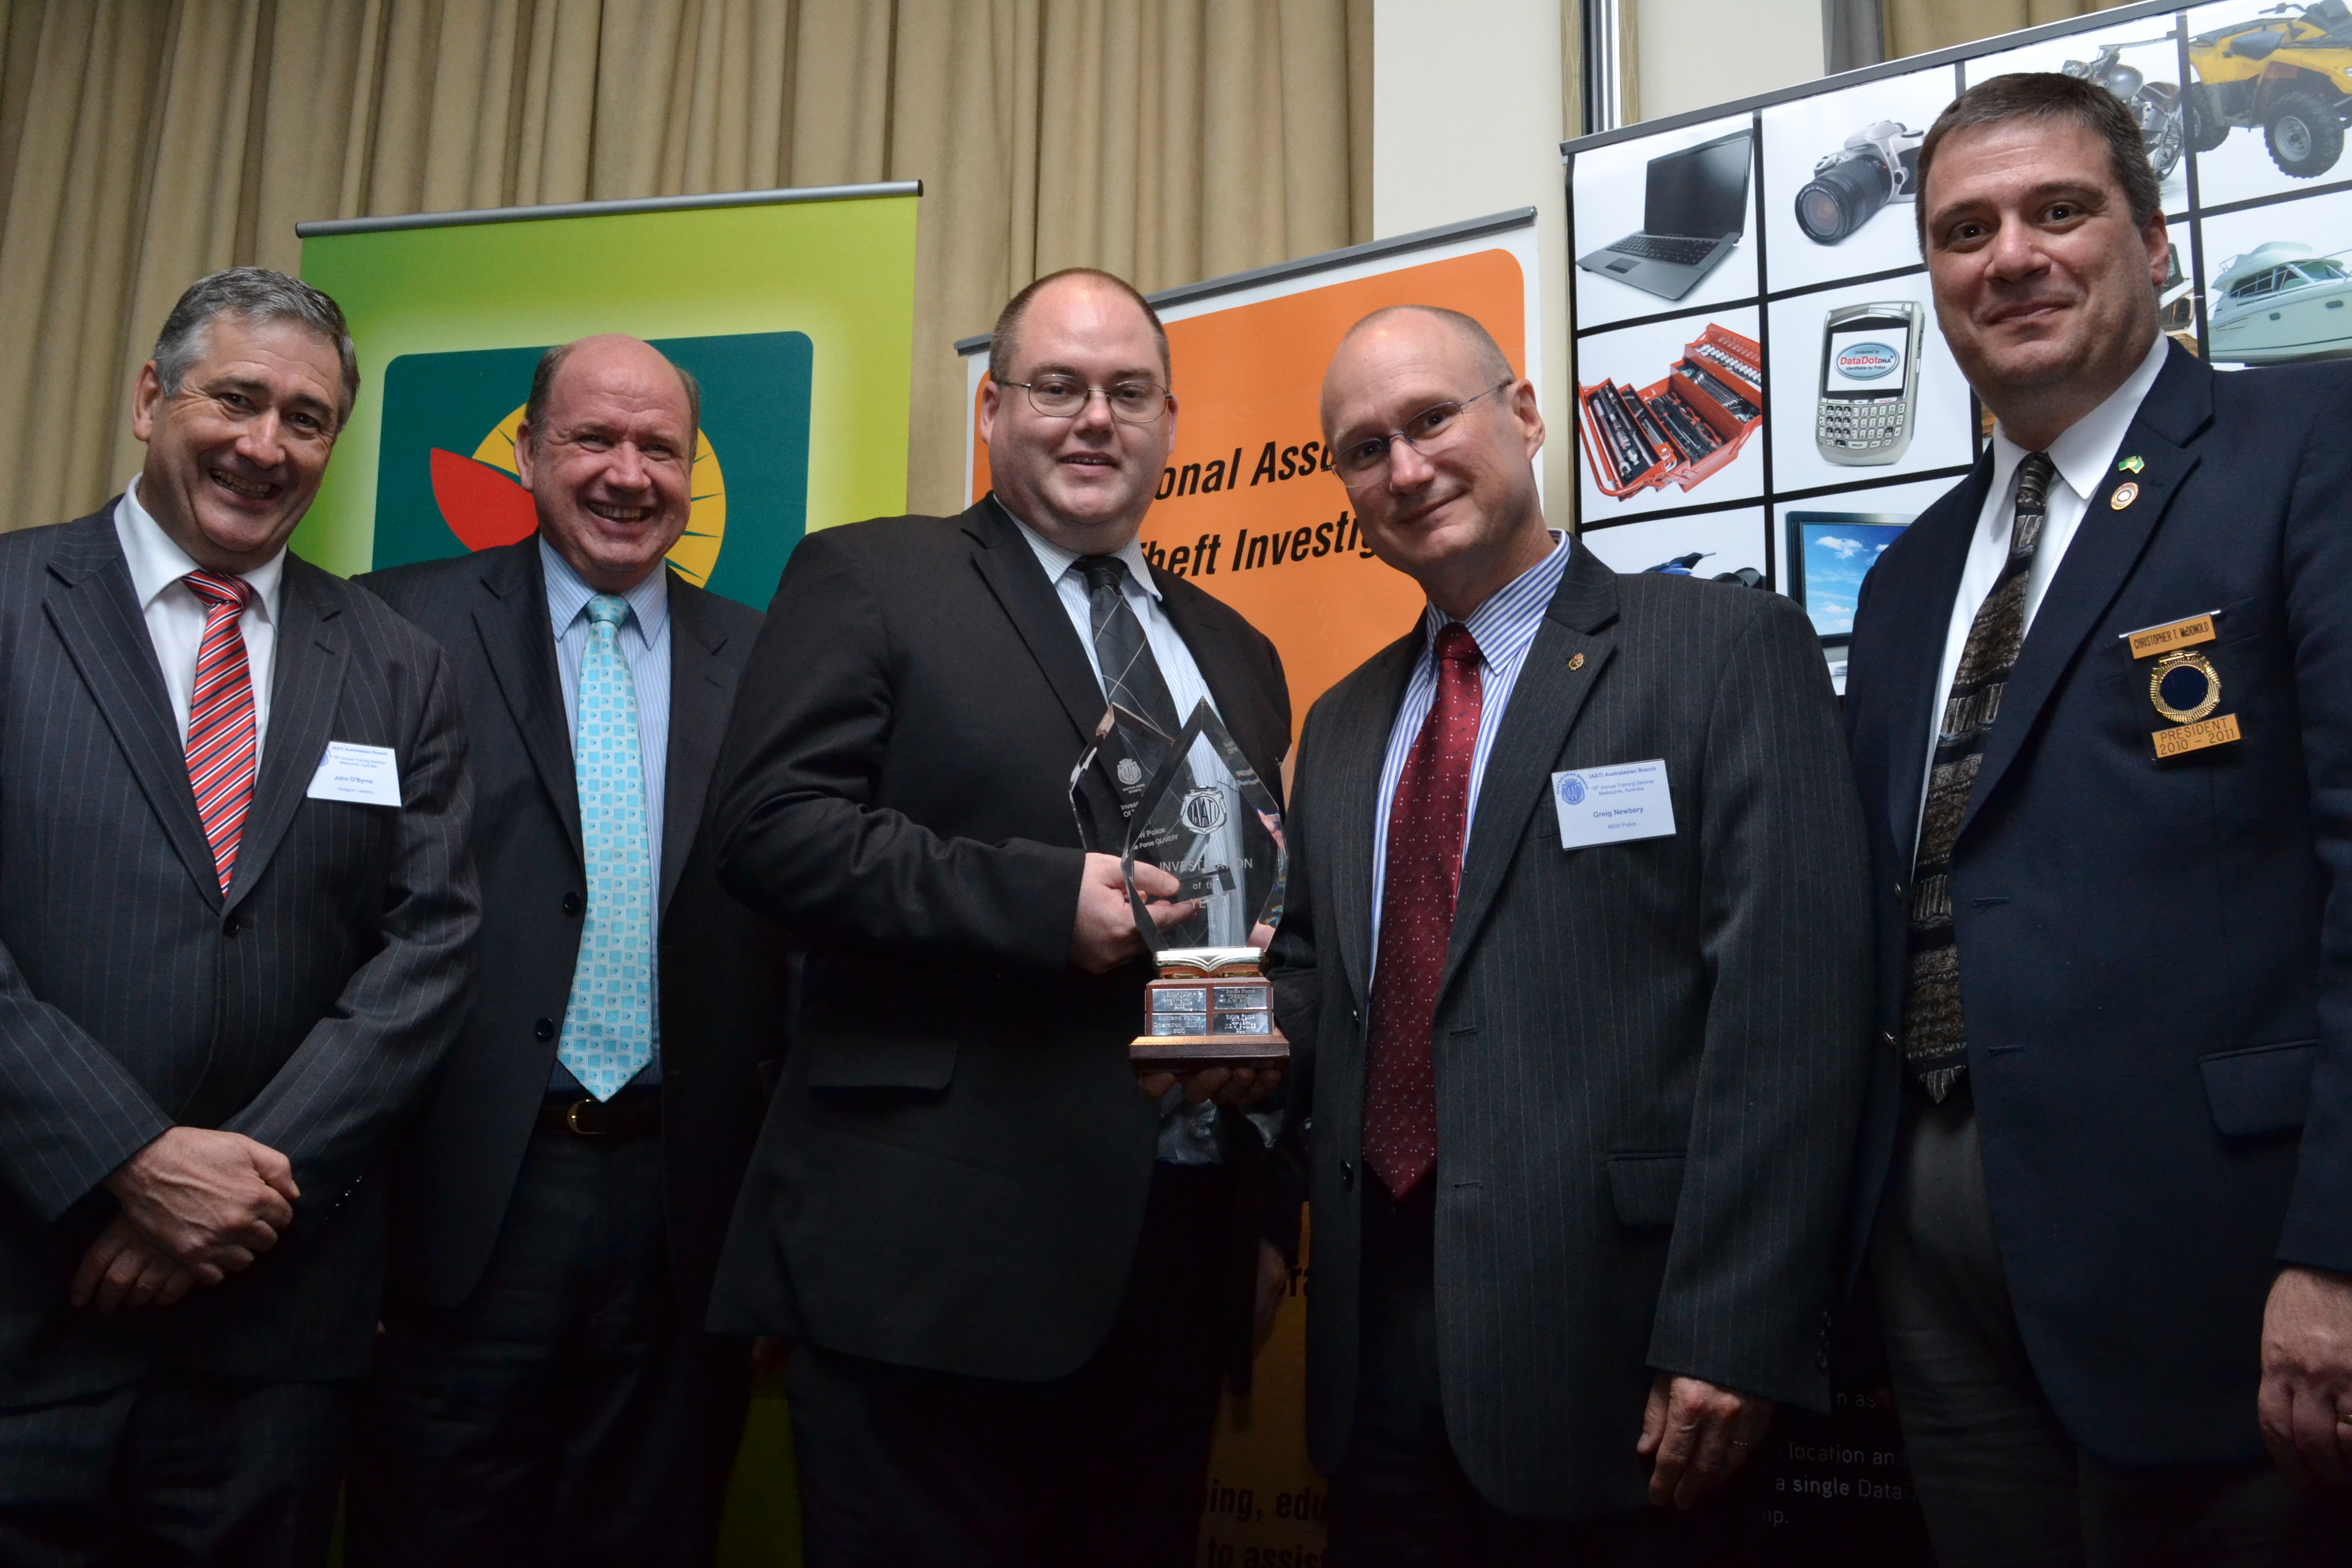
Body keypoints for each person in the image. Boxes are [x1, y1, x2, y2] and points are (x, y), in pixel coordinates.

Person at [1839, 71, 2352, 1565]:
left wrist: (2337, 1250)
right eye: (1965, 228)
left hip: (2230, 1254)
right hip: (1937, 1260)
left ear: (2159, 237)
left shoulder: (2307, 452)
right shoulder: (1909, 575)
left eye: (2060, 210)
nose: (2012, 256)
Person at [1266, 303, 1873, 1565]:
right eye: (1364, 449)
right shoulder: (1339, 728)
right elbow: (1318, 989)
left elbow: (1793, 1012)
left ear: (1527, 415)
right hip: (1374, 1367)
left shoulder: (1717, 651)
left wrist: (1731, 1332)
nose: (1406, 467)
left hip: (1630, 1366)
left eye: (1433, 418)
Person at [707, 267, 1292, 1567]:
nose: (1096, 420)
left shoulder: (1242, 653)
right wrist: (1035, 900)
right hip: (933, 1266)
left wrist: (1261, 1216)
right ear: (992, 408)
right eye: (1060, 389)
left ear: (1170, 423)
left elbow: (1251, 924)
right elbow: (765, 832)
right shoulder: (873, 576)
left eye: (1128, 393)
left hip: (1173, 1264)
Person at [0, 268, 479, 1565]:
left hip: (272, 1336)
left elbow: (429, 947)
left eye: (309, 420)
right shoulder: (8, 607)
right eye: (238, 399)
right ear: (152, 398)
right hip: (28, 1300)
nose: (267, 447)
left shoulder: (396, 663)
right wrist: (128, 1162)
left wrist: (237, 1193)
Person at [346, 335, 784, 1566]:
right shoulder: (393, 627)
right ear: (529, 452)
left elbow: (793, 954)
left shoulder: (769, 662)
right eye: (595, 439)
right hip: (461, 1203)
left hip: (680, 1210)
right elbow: (336, 925)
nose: (629, 474)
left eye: (662, 448)